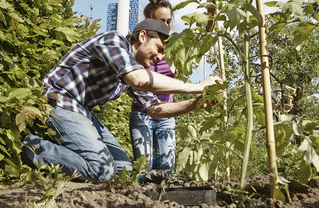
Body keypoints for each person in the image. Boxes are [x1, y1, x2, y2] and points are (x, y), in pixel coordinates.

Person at [21, 18, 222, 183]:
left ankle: (66, 157)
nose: (160, 57)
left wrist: (193, 104)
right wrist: (197, 86)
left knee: (125, 170)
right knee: (102, 170)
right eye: (159, 48)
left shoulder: (131, 69)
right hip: (58, 100)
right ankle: (31, 147)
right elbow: (139, 79)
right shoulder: (113, 42)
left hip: (81, 111)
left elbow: (154, 109)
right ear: (142, 36)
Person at [130, 0, 176, 173]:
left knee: (166, 167)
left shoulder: (176, 47)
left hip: (166, 113)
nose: (165, 25)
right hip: (142, 112)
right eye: (159, 21)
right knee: (144, 167)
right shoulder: (140, 46)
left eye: (168, 21)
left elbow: (203, 38)